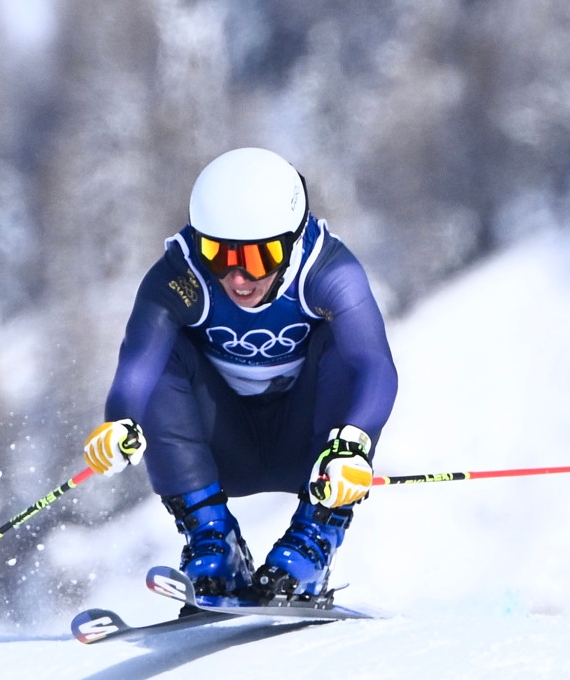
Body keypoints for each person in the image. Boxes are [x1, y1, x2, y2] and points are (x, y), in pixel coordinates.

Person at [82, 147, 399, 605]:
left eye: (258, 258)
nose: (238, 278)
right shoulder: (180, 277)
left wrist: (355, 443)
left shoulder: (329, 271)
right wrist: (118, 423)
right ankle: (214, 543)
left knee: (342, 345)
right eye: (218, 255)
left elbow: (374, 366)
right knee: (165, 348)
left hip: (312, 452)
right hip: (217, 448)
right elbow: (136, 368)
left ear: (291, 241)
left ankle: (313, 541)